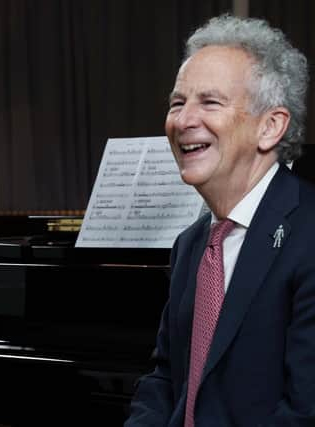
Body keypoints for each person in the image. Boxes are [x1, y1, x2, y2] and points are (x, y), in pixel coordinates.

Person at [125, 14, 315, 426]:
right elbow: (165, 379)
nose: (182, 121)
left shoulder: (309, 237)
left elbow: (305, 411)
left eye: (209, 102)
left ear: (270, 127)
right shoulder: (192, 244)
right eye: (178, 102)